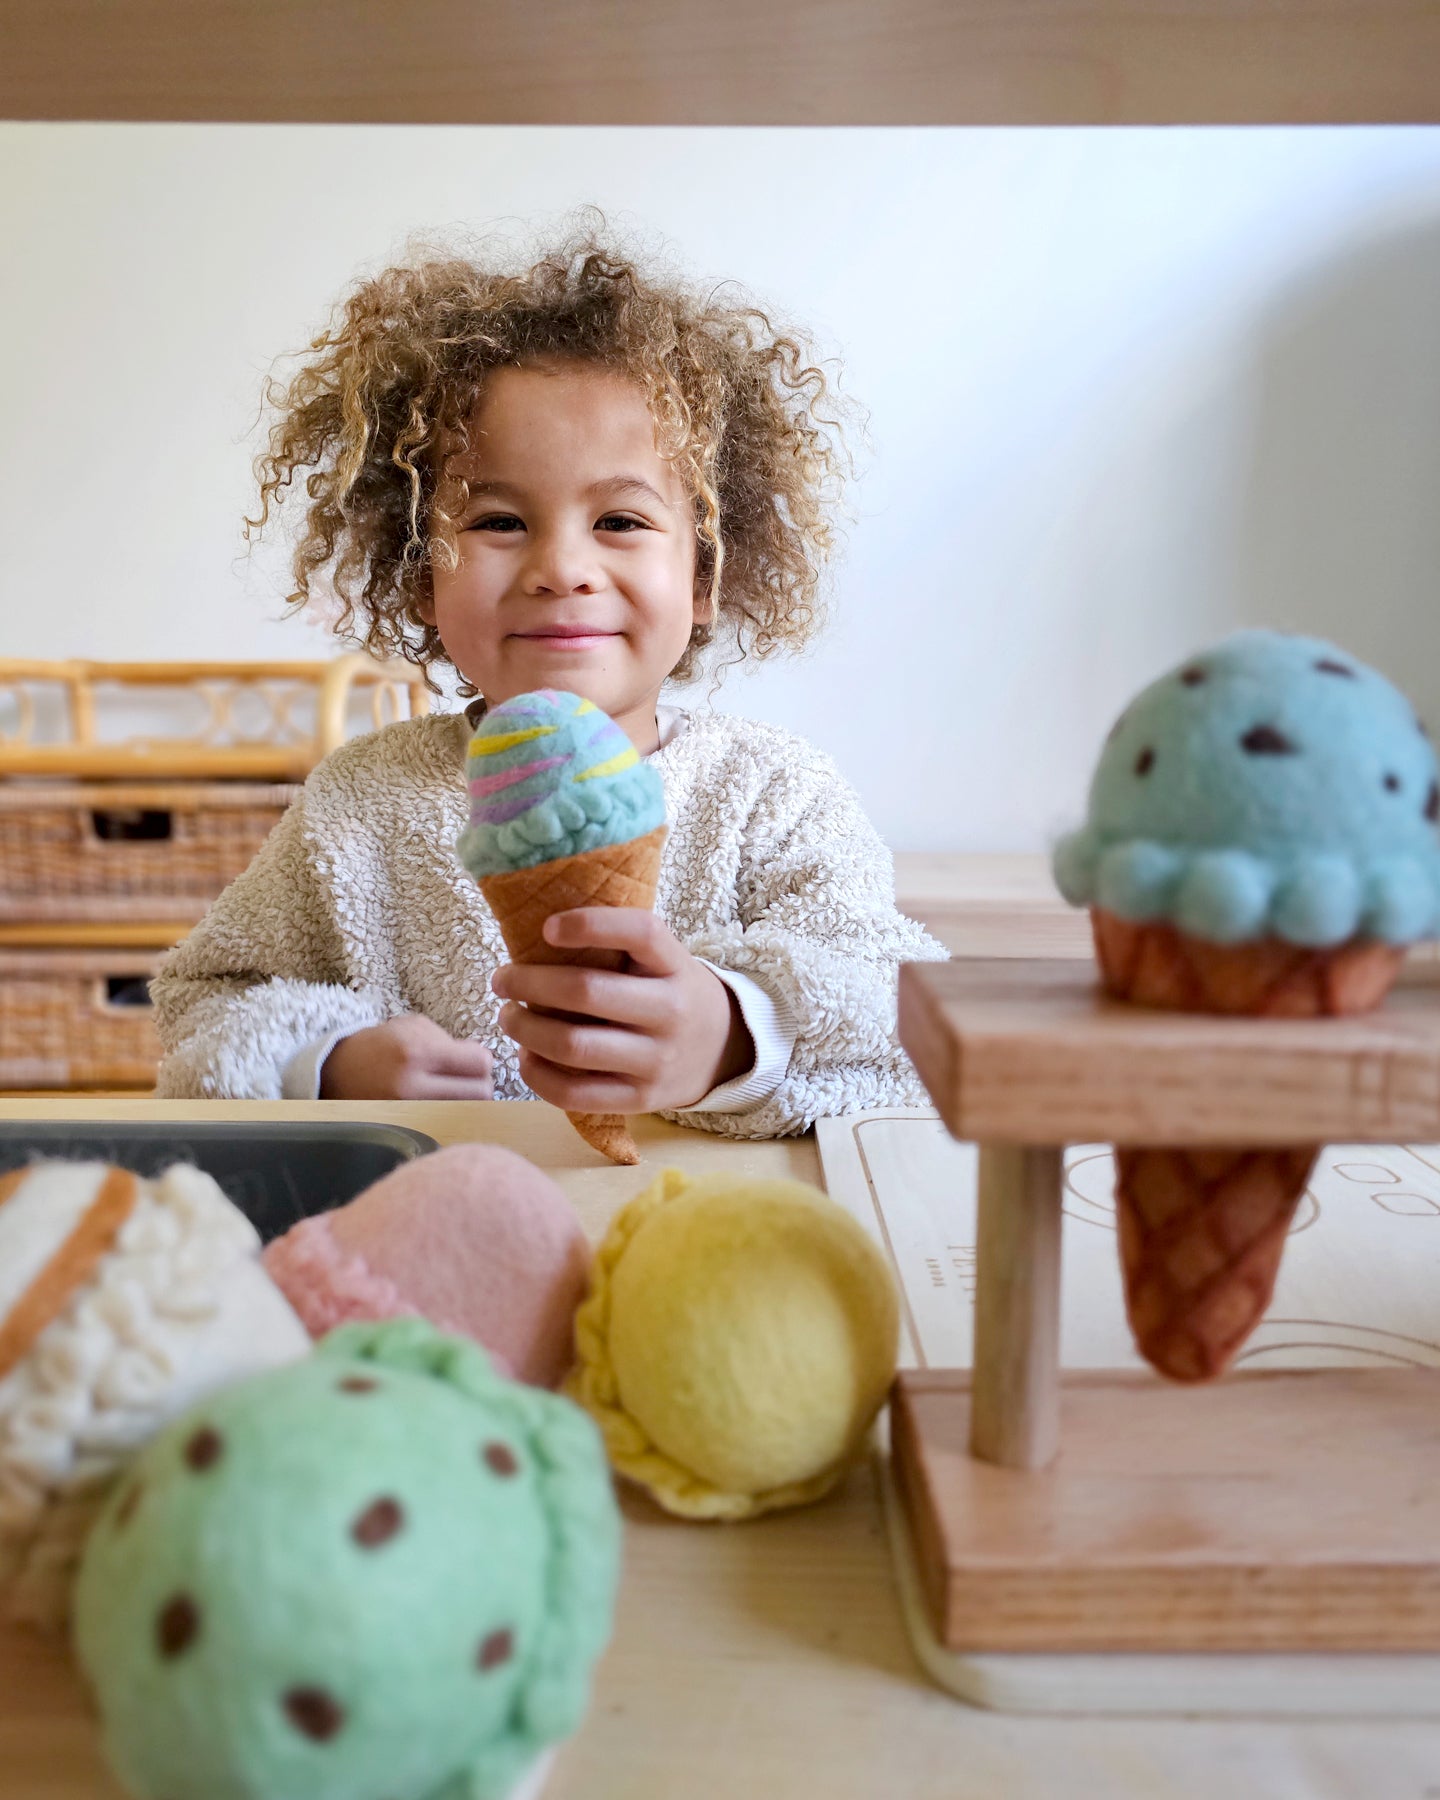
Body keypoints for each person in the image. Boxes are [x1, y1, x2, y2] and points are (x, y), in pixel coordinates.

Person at [150, 211, 949, 1138]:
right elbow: (203, 1005)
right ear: (418, 575)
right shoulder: (361, 804)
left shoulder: (777, 799)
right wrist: (325, 1063)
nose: (561, 567)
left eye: (620, 522)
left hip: (699, 1242)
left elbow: (902, 1013)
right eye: (497, 522)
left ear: (704, 576)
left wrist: (733, 1034)